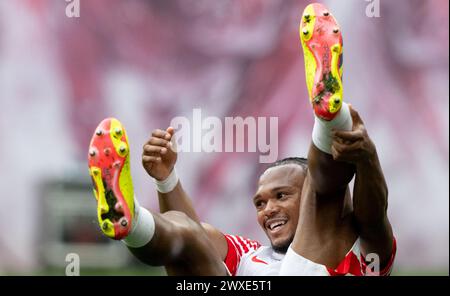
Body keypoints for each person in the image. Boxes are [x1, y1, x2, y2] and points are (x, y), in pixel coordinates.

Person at [87, 3, 396, 276]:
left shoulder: (360, 250)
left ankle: (330, 115)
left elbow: (373, 215)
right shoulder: (250, 256)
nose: (268, 209)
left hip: (317, 261)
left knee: (325, 187)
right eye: (260, 202)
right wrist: (166, 179)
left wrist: (367, 158)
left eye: (282, 196)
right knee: (193, 238)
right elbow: (188, 238)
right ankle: (129, 221)